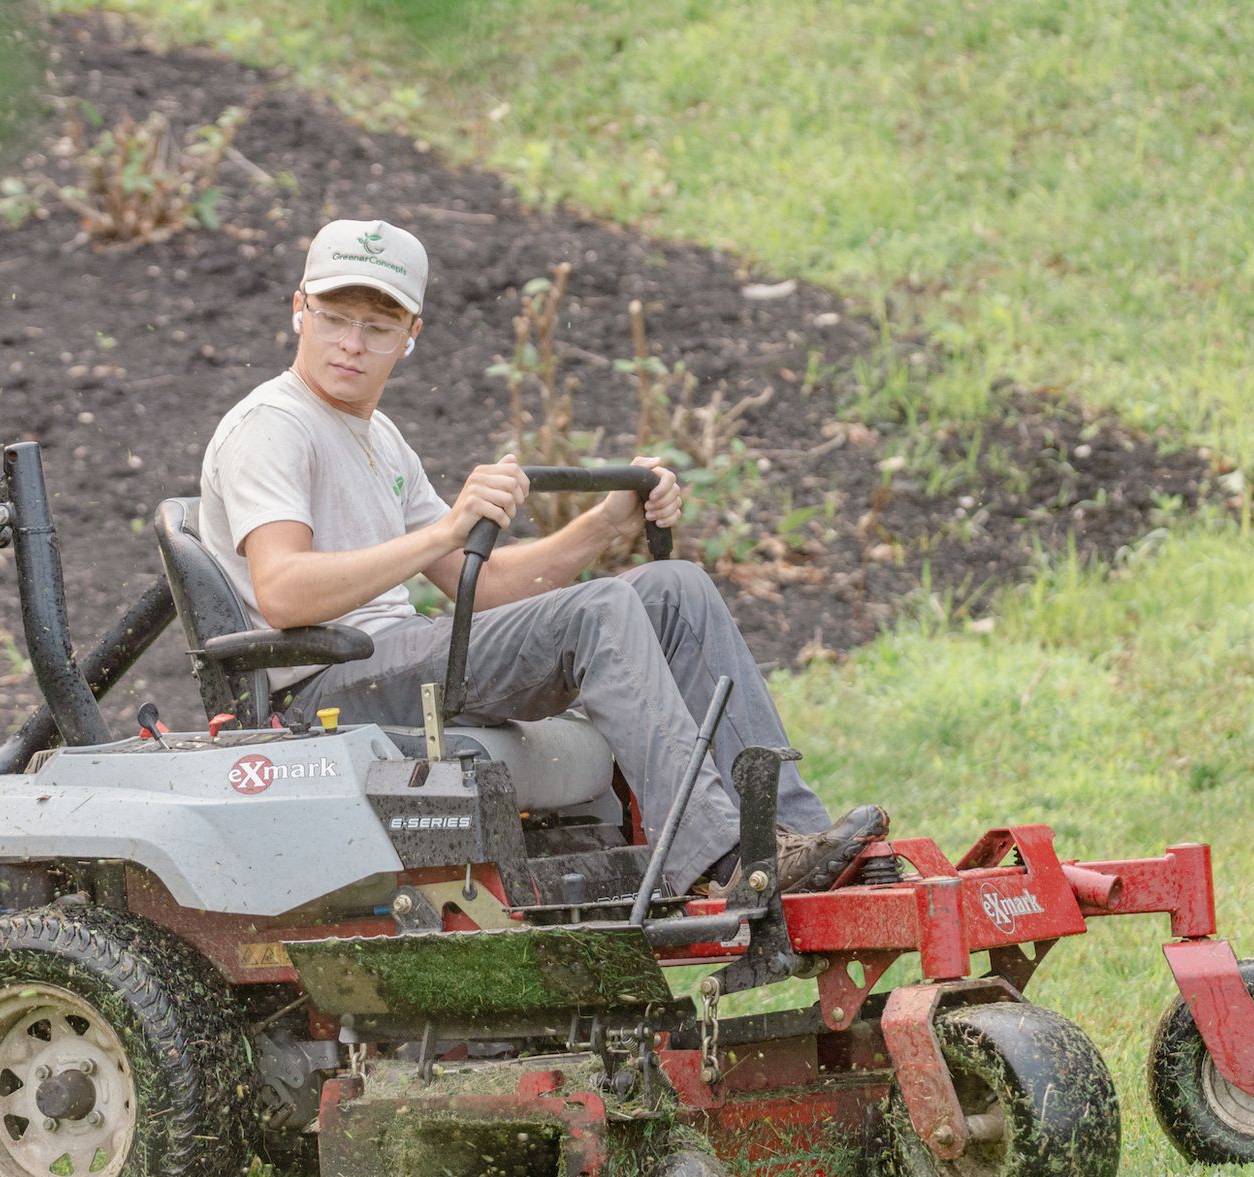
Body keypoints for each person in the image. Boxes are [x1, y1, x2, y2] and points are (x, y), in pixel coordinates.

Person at [197, 218, 885, 897]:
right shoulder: (274, 426)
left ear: (411, 336)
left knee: (676, 587)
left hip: (396, 658)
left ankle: (796, 837)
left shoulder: (377, 436)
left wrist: (604, 524)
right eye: (333, 318)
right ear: (299, 311)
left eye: (377, 327)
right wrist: (446, 532)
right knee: (601, 610)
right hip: (322, 684)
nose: (351, 344)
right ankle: (722, 859)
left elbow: (490, 584)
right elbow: (281, 590)